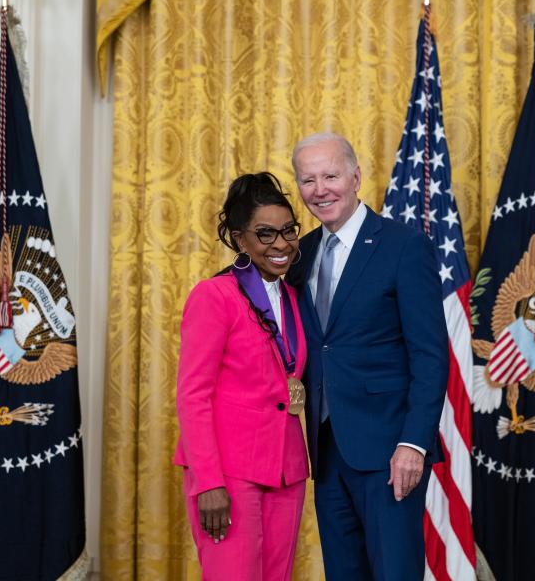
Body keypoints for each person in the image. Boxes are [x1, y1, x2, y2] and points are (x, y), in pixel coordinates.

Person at [285, 132, 449, 580]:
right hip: (326, 448)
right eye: (308, 180)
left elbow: (431, 356)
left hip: (389, 450)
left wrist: (413, 443)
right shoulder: (302, 254)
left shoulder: (403, 245)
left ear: (356, 177)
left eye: (331, 175)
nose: (320, 190)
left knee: (394, 572)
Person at [173, 172, 309, 581]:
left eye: (288, 231)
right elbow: (192, 395)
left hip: (287, 470)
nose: (281, 244)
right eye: (265, 234)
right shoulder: (214, 296)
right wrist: (208, 483)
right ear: (239, 239)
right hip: (228, 474)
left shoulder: (293, 297)